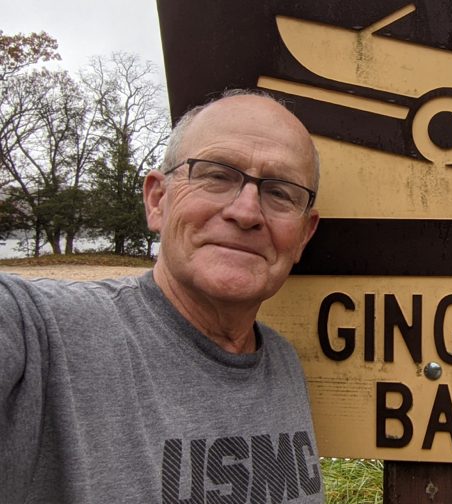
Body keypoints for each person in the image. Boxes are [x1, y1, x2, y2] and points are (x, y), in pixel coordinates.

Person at [0, 91, 325, 503]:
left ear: (304, 235)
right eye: (217, 175)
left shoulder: (282, 364)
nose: (246, 212)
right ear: (157, 199)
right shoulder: (44, 336)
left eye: (280, 192)